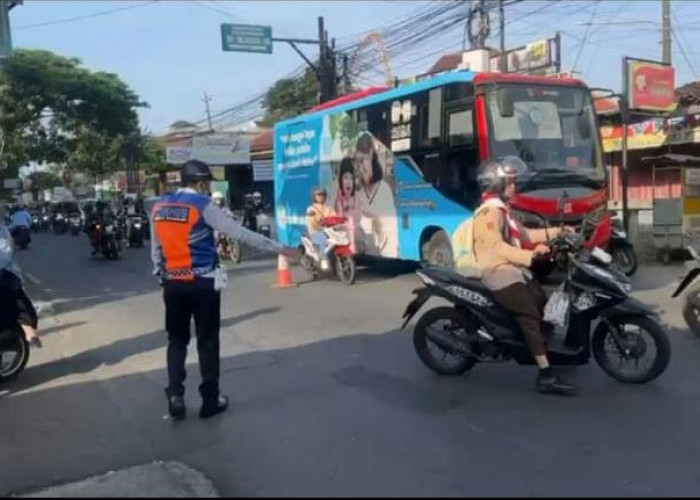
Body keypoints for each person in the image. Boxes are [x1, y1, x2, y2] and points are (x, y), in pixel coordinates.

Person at [151, 160, 299, 420]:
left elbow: (157, 248)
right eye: (206, 182)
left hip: (173, 284)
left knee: (177, 341)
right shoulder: (202, 206)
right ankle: (210, 401)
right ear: (200, 183)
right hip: (203, 283)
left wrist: (161, 275)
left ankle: (175, 394)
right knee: (207, 342)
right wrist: (279, 248)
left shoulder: (159, 207)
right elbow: (238, 233)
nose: (207, 187)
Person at [470, 156, 577, 396]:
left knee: (542, 299)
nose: (514, 187)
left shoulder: (503, 211)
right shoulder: (489, 213)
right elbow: (498, 249)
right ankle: (545, 375)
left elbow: (526, 235)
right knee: (529, 313)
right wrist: (530, 257)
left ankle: (542, 346)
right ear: (496, 184)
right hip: (497, 272)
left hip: (512, 270)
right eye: (510, 182)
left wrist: (558, 232)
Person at [354, 132, 398, 258]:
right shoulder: (360, 194)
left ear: (372, 156)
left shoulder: (384, 190)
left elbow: (391, 232)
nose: (360, 168)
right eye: (357, 163)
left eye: (363, 161)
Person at [0, 221, 41, 347]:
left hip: (5, 275)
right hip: (6, 273)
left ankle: (28, 331)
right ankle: (29, 331)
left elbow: (6, 254)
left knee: (18, 302)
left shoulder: (3, 231)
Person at [333, 157, 382, 254]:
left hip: (359, 237)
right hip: (345, 237)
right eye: (345, 177)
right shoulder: (339, 200)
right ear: (340, 180)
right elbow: (339, 219)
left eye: (351, 178)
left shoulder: (357, 199)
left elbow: (366, 211)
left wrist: (376, 216)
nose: (349, 182)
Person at [306, 187, 335, 270]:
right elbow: (311, 222)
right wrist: (319, 226)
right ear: (314, 197)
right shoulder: (311, 209)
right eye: (319, 195)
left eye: (323, 195)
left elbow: (335, 217)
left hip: (329, 231)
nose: (321, 197)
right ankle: (323, 260)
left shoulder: (328, 208)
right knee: (322, 239)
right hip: (315, 232)